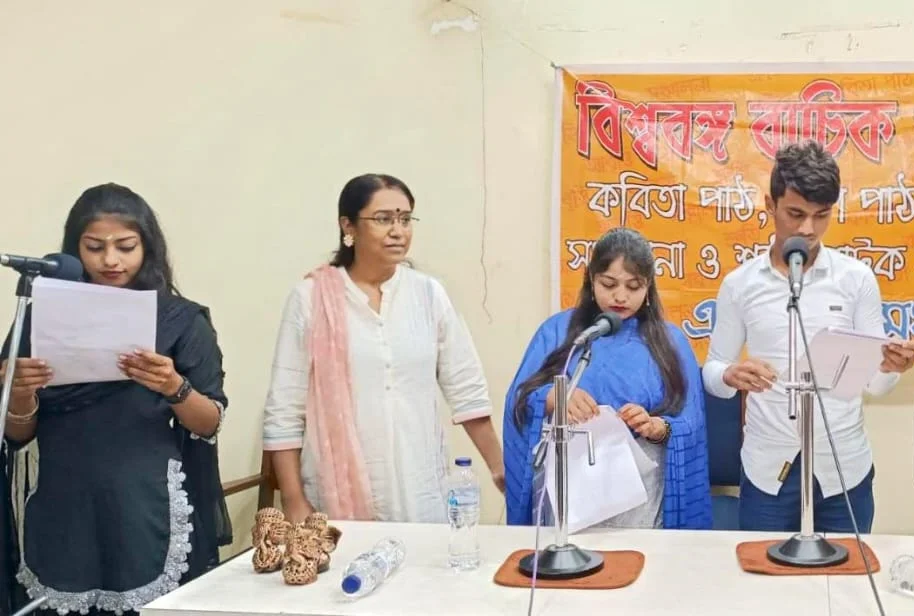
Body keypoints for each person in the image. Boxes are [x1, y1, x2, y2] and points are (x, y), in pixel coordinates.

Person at [1, 183, 231, 615]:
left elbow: (209, 423)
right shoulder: (39, 315)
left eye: (125, 246)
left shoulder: (179, 320)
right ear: (74, 250)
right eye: (94, 247)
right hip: (61, 505)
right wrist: (20, 394)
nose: (110, 260)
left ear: (148, 247)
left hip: (143, 506)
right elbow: (16, 435)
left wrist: (174, 386)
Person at [702, 141, 914, 534]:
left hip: (842, 468)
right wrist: (730, 375)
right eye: (795, 214)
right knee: (764, 570)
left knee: (846, 570)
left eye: (821, 216)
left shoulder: (855, 279)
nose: (807, 229)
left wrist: (890, 367)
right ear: (770, 206)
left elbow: (876, 385)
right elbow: (713, 373)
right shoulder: (740, 284)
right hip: (769, 469)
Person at [262, 173, 503, 524]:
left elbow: (466, 389)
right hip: (336, 497)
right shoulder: (311, 298)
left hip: (420, 486)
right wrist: (293, 499)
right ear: (348, 226)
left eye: (405, 219)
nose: (398, 231)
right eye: (383, 219)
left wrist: (498, 467)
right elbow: (284, 407)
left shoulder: (428, 294)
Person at [504, 227, 712, 529]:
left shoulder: (672, 341)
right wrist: (552, 398)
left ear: (648, 286)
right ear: (591, 279)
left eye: (634, 286)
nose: (620, 296)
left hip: (645, 499)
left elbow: (692, 422)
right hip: (570, 494)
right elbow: (518, 401)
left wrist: (658, 427)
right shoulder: (557, 332)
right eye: (609, 284)